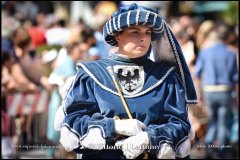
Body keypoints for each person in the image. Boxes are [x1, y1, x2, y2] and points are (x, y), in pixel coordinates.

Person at [54, 3, 197, 159]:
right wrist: (114, 127)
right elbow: (74, 120)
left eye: (147, 32)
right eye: (134, 32)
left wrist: (149, 138)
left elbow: (179, 124)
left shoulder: (166, 75)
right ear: (117, 35)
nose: (143, 38)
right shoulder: (91, 74)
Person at [194, 23, 238, 158]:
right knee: (223, 122)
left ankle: (208, 149)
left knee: (212, 121)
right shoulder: (231, 52)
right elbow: (235, 77)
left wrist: (199, 94)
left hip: (208, 90)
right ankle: (221, 151)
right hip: (225, 91)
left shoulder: (205, 51)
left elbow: (197, 74)